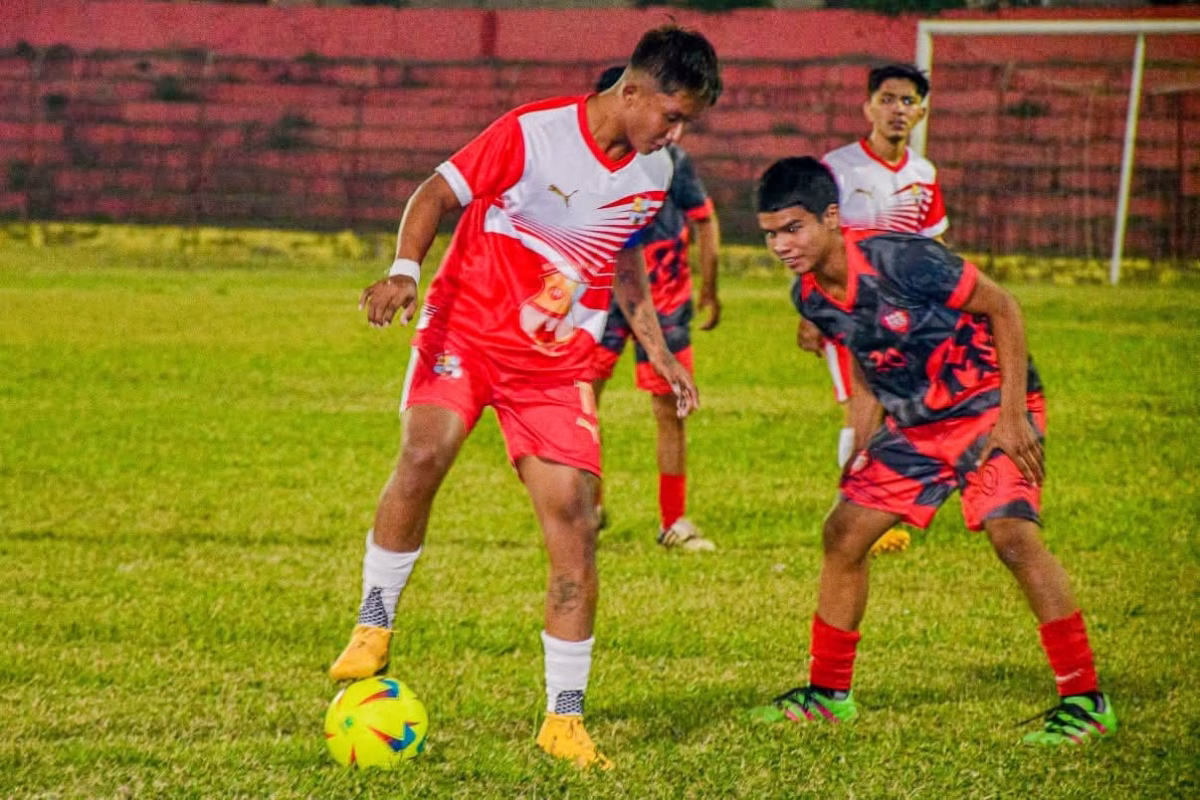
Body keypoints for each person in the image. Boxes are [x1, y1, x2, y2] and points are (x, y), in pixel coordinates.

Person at [327, 25, 722, 770]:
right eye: (671, 115)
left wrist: (660, 350)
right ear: (631, 89)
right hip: (467, 330)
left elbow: (622, 255)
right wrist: (405, 269)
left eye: (686, 124)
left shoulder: (656, 171)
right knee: (424, 452)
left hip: (553, 364)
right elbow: (436, 192)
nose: (675, 134)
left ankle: (562, 720)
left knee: (575, 519)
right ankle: (374, 623)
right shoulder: (532, 134)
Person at [750, 156, 1116, 746]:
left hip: (987, 407)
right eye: (770, 234)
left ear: (831, 217)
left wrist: (1015, 416)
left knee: (1012, 537)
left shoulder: (903, 257)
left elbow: (1004, 307)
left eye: (794, 228)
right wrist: (864, 440)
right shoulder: (811, 298)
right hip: (917, 428)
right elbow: (869, 361)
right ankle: (827, 695)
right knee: (843, 534)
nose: (782, 245)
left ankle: (1085, 699)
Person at [806, 63, 951, 557]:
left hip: (907, 317)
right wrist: (809, 309)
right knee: (861, 409)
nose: (897, 110)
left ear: (922, 111)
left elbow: (933, 245)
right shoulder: (839, 168)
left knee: (896, 411)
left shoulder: (923, 174)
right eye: (887, 99)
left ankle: (876, 509)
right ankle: (859, 515)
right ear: (868, 106)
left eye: (908, 101)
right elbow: (813, 239)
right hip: (850, 312)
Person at [588, 65, 721, 553]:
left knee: (670, 406)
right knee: (581, 402)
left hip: (663, 299)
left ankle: (674, 519)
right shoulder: (582, 161)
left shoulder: (672, 161)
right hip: (598, 298)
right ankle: (588, 507)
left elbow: (705, 220)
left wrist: (710, 285)